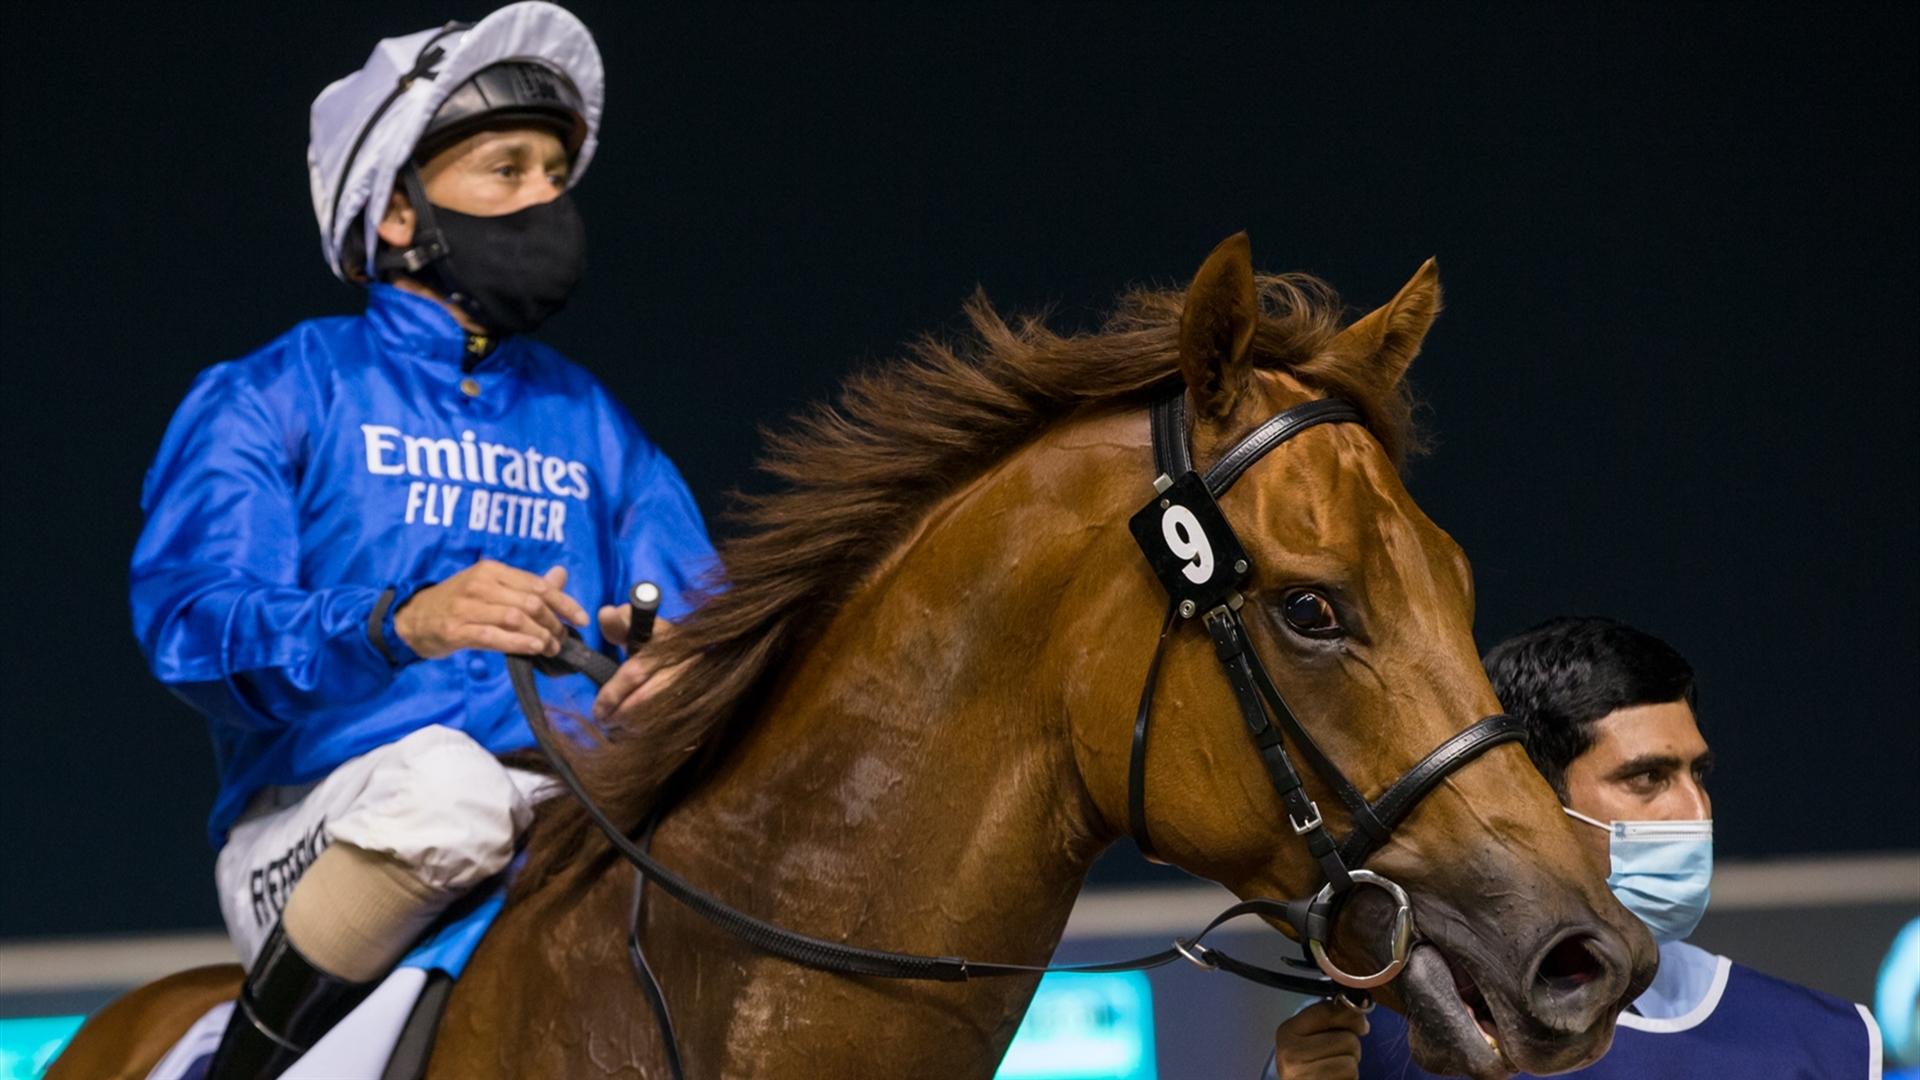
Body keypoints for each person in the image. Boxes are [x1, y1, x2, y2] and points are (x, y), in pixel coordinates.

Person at [127, 5, 716, 1076]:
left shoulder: (594, 423)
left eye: (555, 172)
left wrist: (677, 657)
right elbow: (189, 626)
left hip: (570, 817)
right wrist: (397, 622)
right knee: (451, 788)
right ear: (399, 212)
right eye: (508, 169)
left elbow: (706, 618)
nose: (546, 197)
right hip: (322, 825)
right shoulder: (272, 393)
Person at [1264, 617, 1882, 1079]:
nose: (1695, 811)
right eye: (1648, 778)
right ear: (1532, 800)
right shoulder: (1385, 1047)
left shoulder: (1835, 1047)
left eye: (1699, 774)